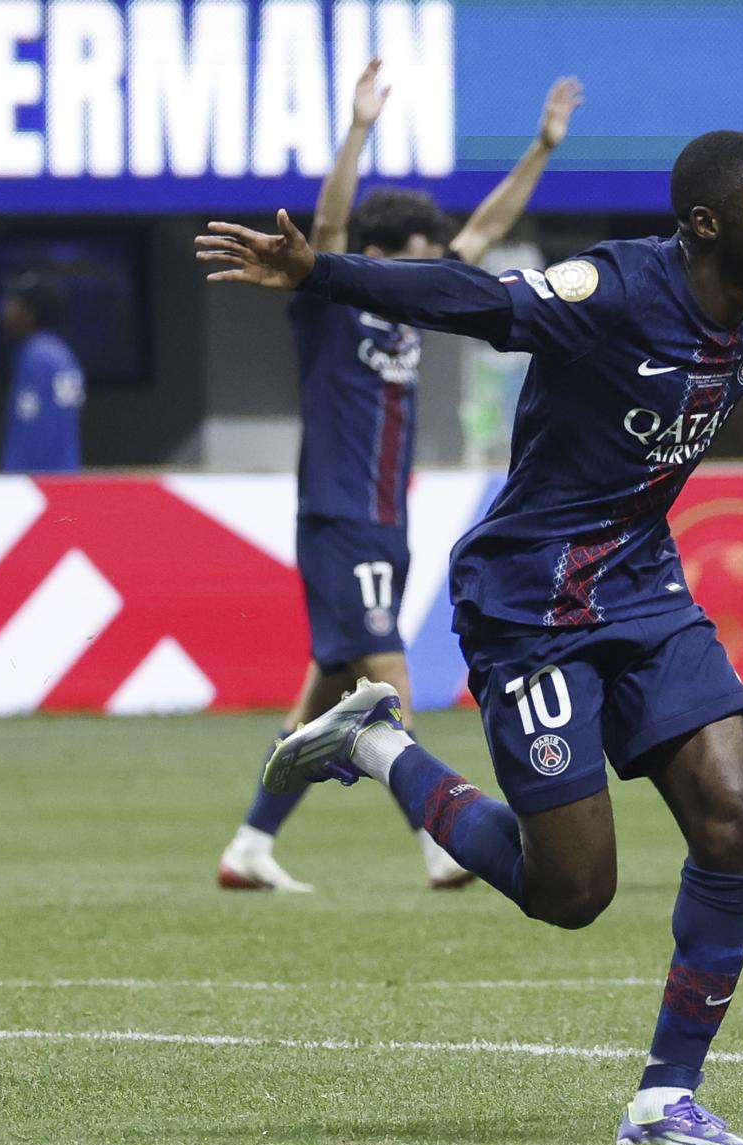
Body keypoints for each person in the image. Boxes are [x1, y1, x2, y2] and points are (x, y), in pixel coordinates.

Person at [197, 131, 743, 1145]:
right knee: (572, 889)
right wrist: (320, 272)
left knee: (736, 819)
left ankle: (664, 1097)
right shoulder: (611, 287)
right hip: (528, 601)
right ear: (705, 224)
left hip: (643, 586)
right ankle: (375, 742)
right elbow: (480, 301)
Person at [215, 61, 583, 893]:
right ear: (379, 257)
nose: (429, 275)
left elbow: (480, 237)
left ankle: (249, 845)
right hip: (341, 514)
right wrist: (358, 130)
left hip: (385, 518)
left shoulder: (413, 310)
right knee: (389, 680)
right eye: (412, 260)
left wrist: (541, 149)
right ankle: (440, 840)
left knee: (324, 700)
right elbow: (329, 225)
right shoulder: (329, 299)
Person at [0, 274, 86, 472]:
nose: (5, 311)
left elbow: (31, 430)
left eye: (13, 304)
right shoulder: (63, 354)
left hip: (37, 479)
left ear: (29, 313)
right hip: (64, 474)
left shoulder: (36, 356)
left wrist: (11, 481)